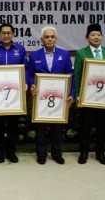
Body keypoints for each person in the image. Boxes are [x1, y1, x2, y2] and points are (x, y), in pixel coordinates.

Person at [26, 26, 74, 165]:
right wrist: (31, 85)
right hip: (41, 98)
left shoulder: (64, 55)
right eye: (47, 37)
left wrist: (72, 93)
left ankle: (57, 153)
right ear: (42, 39)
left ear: (56, 39)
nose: (50, 39)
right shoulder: (34, 56)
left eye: (52, 37)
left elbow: (71, 76)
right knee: (40, 127)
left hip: (59, 98)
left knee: (58, 127)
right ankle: (41, 154)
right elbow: (29, 75)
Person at [0, 23, 26, 164]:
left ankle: (12, 152)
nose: (6, 35)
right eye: (3, 33)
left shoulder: (20, 49)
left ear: (13, 34)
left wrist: (25, 82)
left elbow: (24, 70)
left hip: (14, 95)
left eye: (9, 33)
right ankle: (0, 153)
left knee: (13, 125)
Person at [74, 24, 105, 165]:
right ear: (87, 38)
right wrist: (78, 95)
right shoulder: (81, 53)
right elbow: (77, 75)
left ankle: (100, 153)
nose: (96, 37)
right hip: (87, 96)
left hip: (104, 97)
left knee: (102, 126)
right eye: (93, 35)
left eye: (98, 35)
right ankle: (84, 152)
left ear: (102, 36)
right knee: (86, 126)